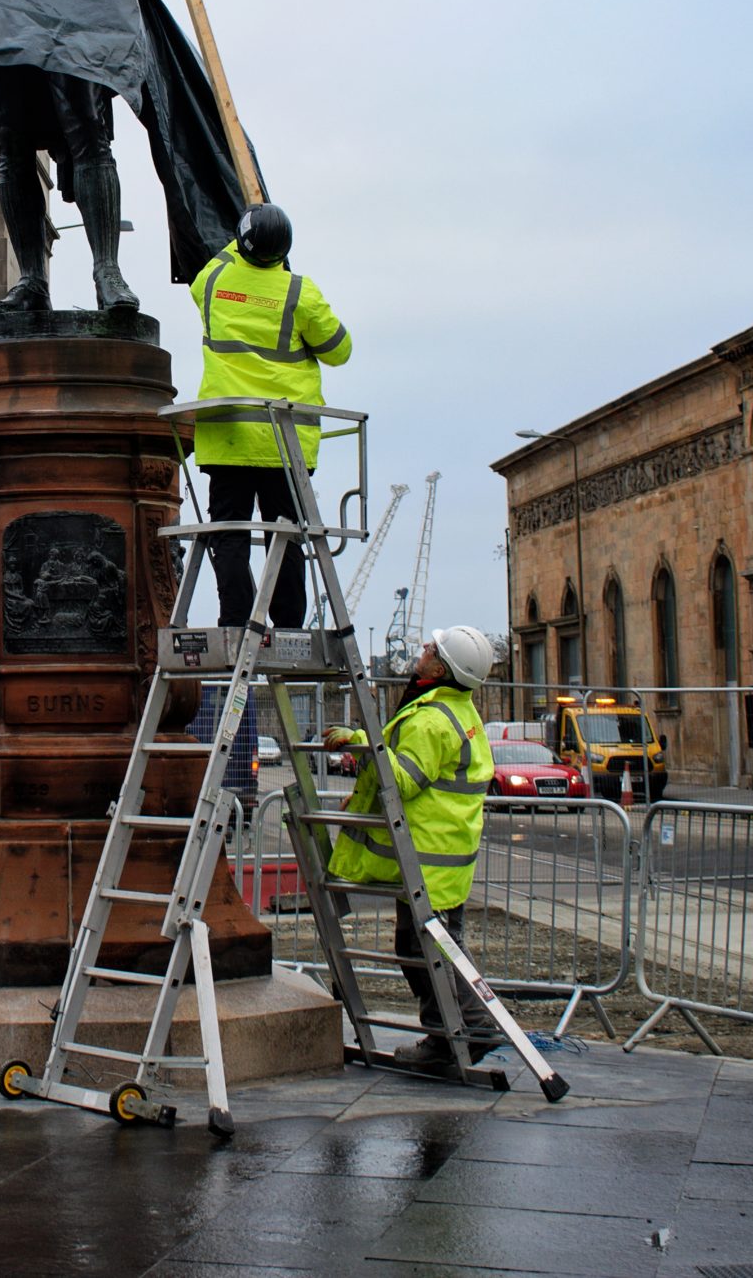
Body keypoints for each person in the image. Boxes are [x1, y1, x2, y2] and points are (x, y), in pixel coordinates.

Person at [322, 624, 499, 1065]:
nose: (421, 650)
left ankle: (468, 1030)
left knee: (429, 950)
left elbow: (400, 780)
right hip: (440, 859)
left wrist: (361, 742)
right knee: (427, 946)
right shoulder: (457, 710)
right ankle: (451, 1035)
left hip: (427, 862)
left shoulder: (431, 719)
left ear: (440, 668)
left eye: (430, 649)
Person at [188, 204, 350, 629]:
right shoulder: (301, 293)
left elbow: (220, 261)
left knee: (229, 533)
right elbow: (339, 350)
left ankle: (236, 619)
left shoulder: (214, 281)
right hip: (286, 442)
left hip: (228, 437)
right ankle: (289, 624)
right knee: (287, 537)